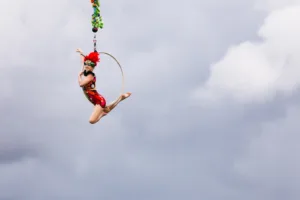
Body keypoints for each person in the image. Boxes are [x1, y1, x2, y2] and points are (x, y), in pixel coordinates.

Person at [76, 48, 131, 124]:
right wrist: (81, 53)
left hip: (98, 101)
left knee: (91, 121)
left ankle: (101, 114)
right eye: (86, 64)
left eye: (89, 65)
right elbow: (83, 63)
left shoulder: (90, 76)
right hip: (96, 100)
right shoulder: (86, 72)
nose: (86, 66)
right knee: (107, 109)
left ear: (93, 67)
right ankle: (120, 98)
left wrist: (79, 76)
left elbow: (81, 84)